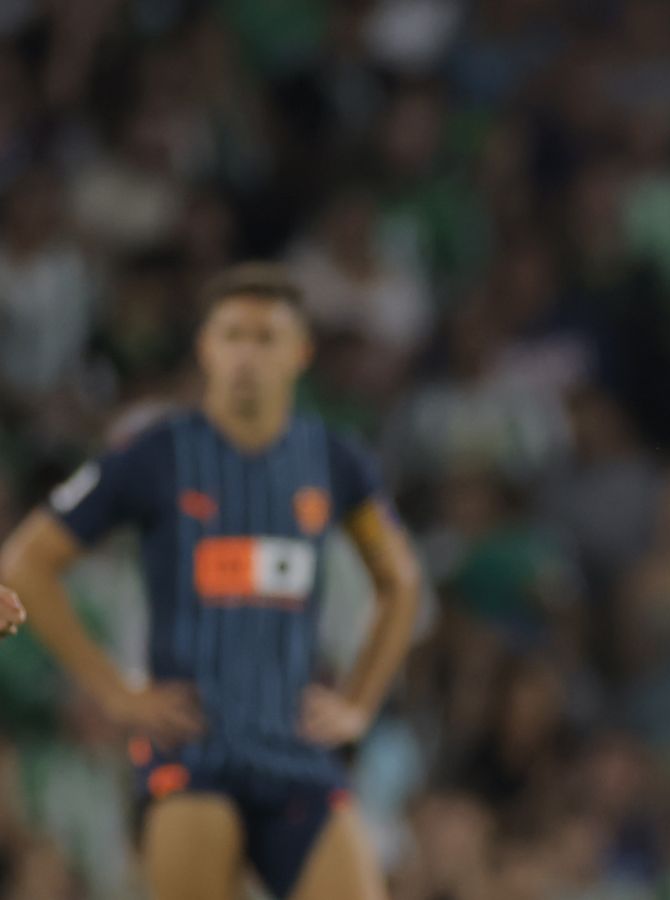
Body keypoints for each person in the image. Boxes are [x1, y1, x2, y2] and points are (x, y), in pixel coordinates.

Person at [0, 263, 421, 900]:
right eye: (232, 335)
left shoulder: (334, 459)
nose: (247, 354)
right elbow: (27, 561)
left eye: (266, 337)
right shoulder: (156, 454)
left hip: (295, 749)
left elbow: (402, 581)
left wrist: (360, 703)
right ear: (205, 348)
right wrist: (115, 693)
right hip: (193, 749)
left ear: (300, 353)